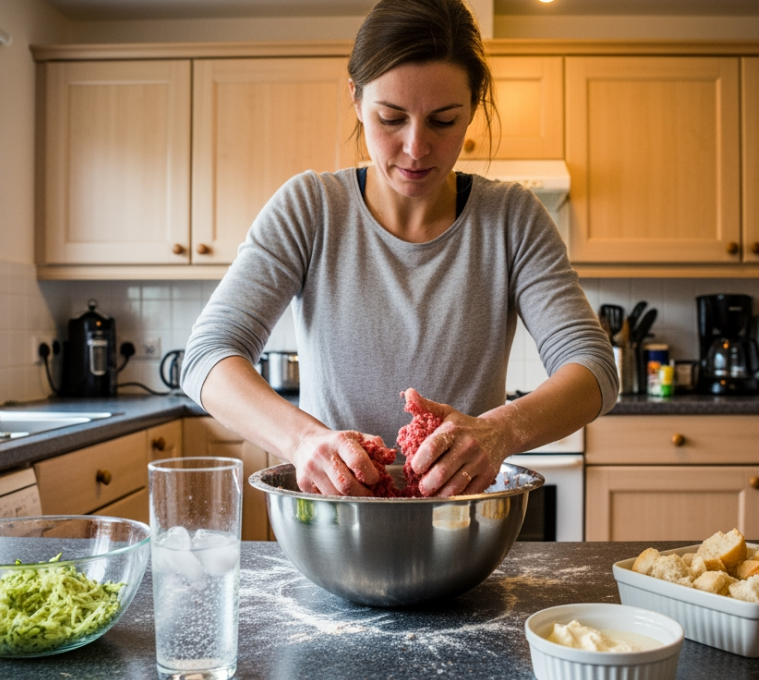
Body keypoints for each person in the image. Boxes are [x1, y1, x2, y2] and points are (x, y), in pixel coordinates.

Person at [183, 0, 617, 498]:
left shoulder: (512, 219)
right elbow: (208, 356)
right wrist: (304, 440)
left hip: (462, 529)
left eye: (443, 121)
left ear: (472, 109)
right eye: (390, 118)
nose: (416, 147)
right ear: (356, 99)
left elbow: (593, 367)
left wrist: (501, 432)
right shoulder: (311, 208)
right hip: (336, 524)